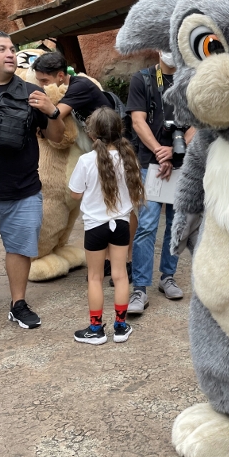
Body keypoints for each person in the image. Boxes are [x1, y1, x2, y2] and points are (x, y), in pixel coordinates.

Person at [0, 30, 65, 344]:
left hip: (23, 189)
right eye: (2, 48)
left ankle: (18, 304)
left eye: (12, 48)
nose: (10, 53)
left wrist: (52, 110)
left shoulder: (31, 92)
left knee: (20, 250)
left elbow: (57, 138)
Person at [32, 50, 136, 282]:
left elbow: (57, 114)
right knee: (108, 206)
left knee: (124, 207)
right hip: (99, 152)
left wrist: (44, 107)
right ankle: (111, 259)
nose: (42, 86)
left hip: (115, 151)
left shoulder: (80, 86)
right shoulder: (68, 87)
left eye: (45, 81)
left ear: (60, 76)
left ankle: (127, 260)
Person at [69, 107, 145, 345]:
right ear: (120, 130)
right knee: (121, 276)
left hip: (95, 227)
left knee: (95, 277)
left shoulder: (85, 160)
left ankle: (96, 329)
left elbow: (75, 193)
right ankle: (120, 327)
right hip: (120, 224)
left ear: (91, 133)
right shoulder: (128, 158)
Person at [126, 49, 185, 314]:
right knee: (147, 225)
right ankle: (140, 288)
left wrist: (174, 152)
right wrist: (161, 152)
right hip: (150, 165)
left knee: (176, 224)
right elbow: (138, 121)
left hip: (181, 164)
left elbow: (198, 122)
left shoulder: (190, 79)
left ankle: (167, 277)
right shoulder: (143, 79)